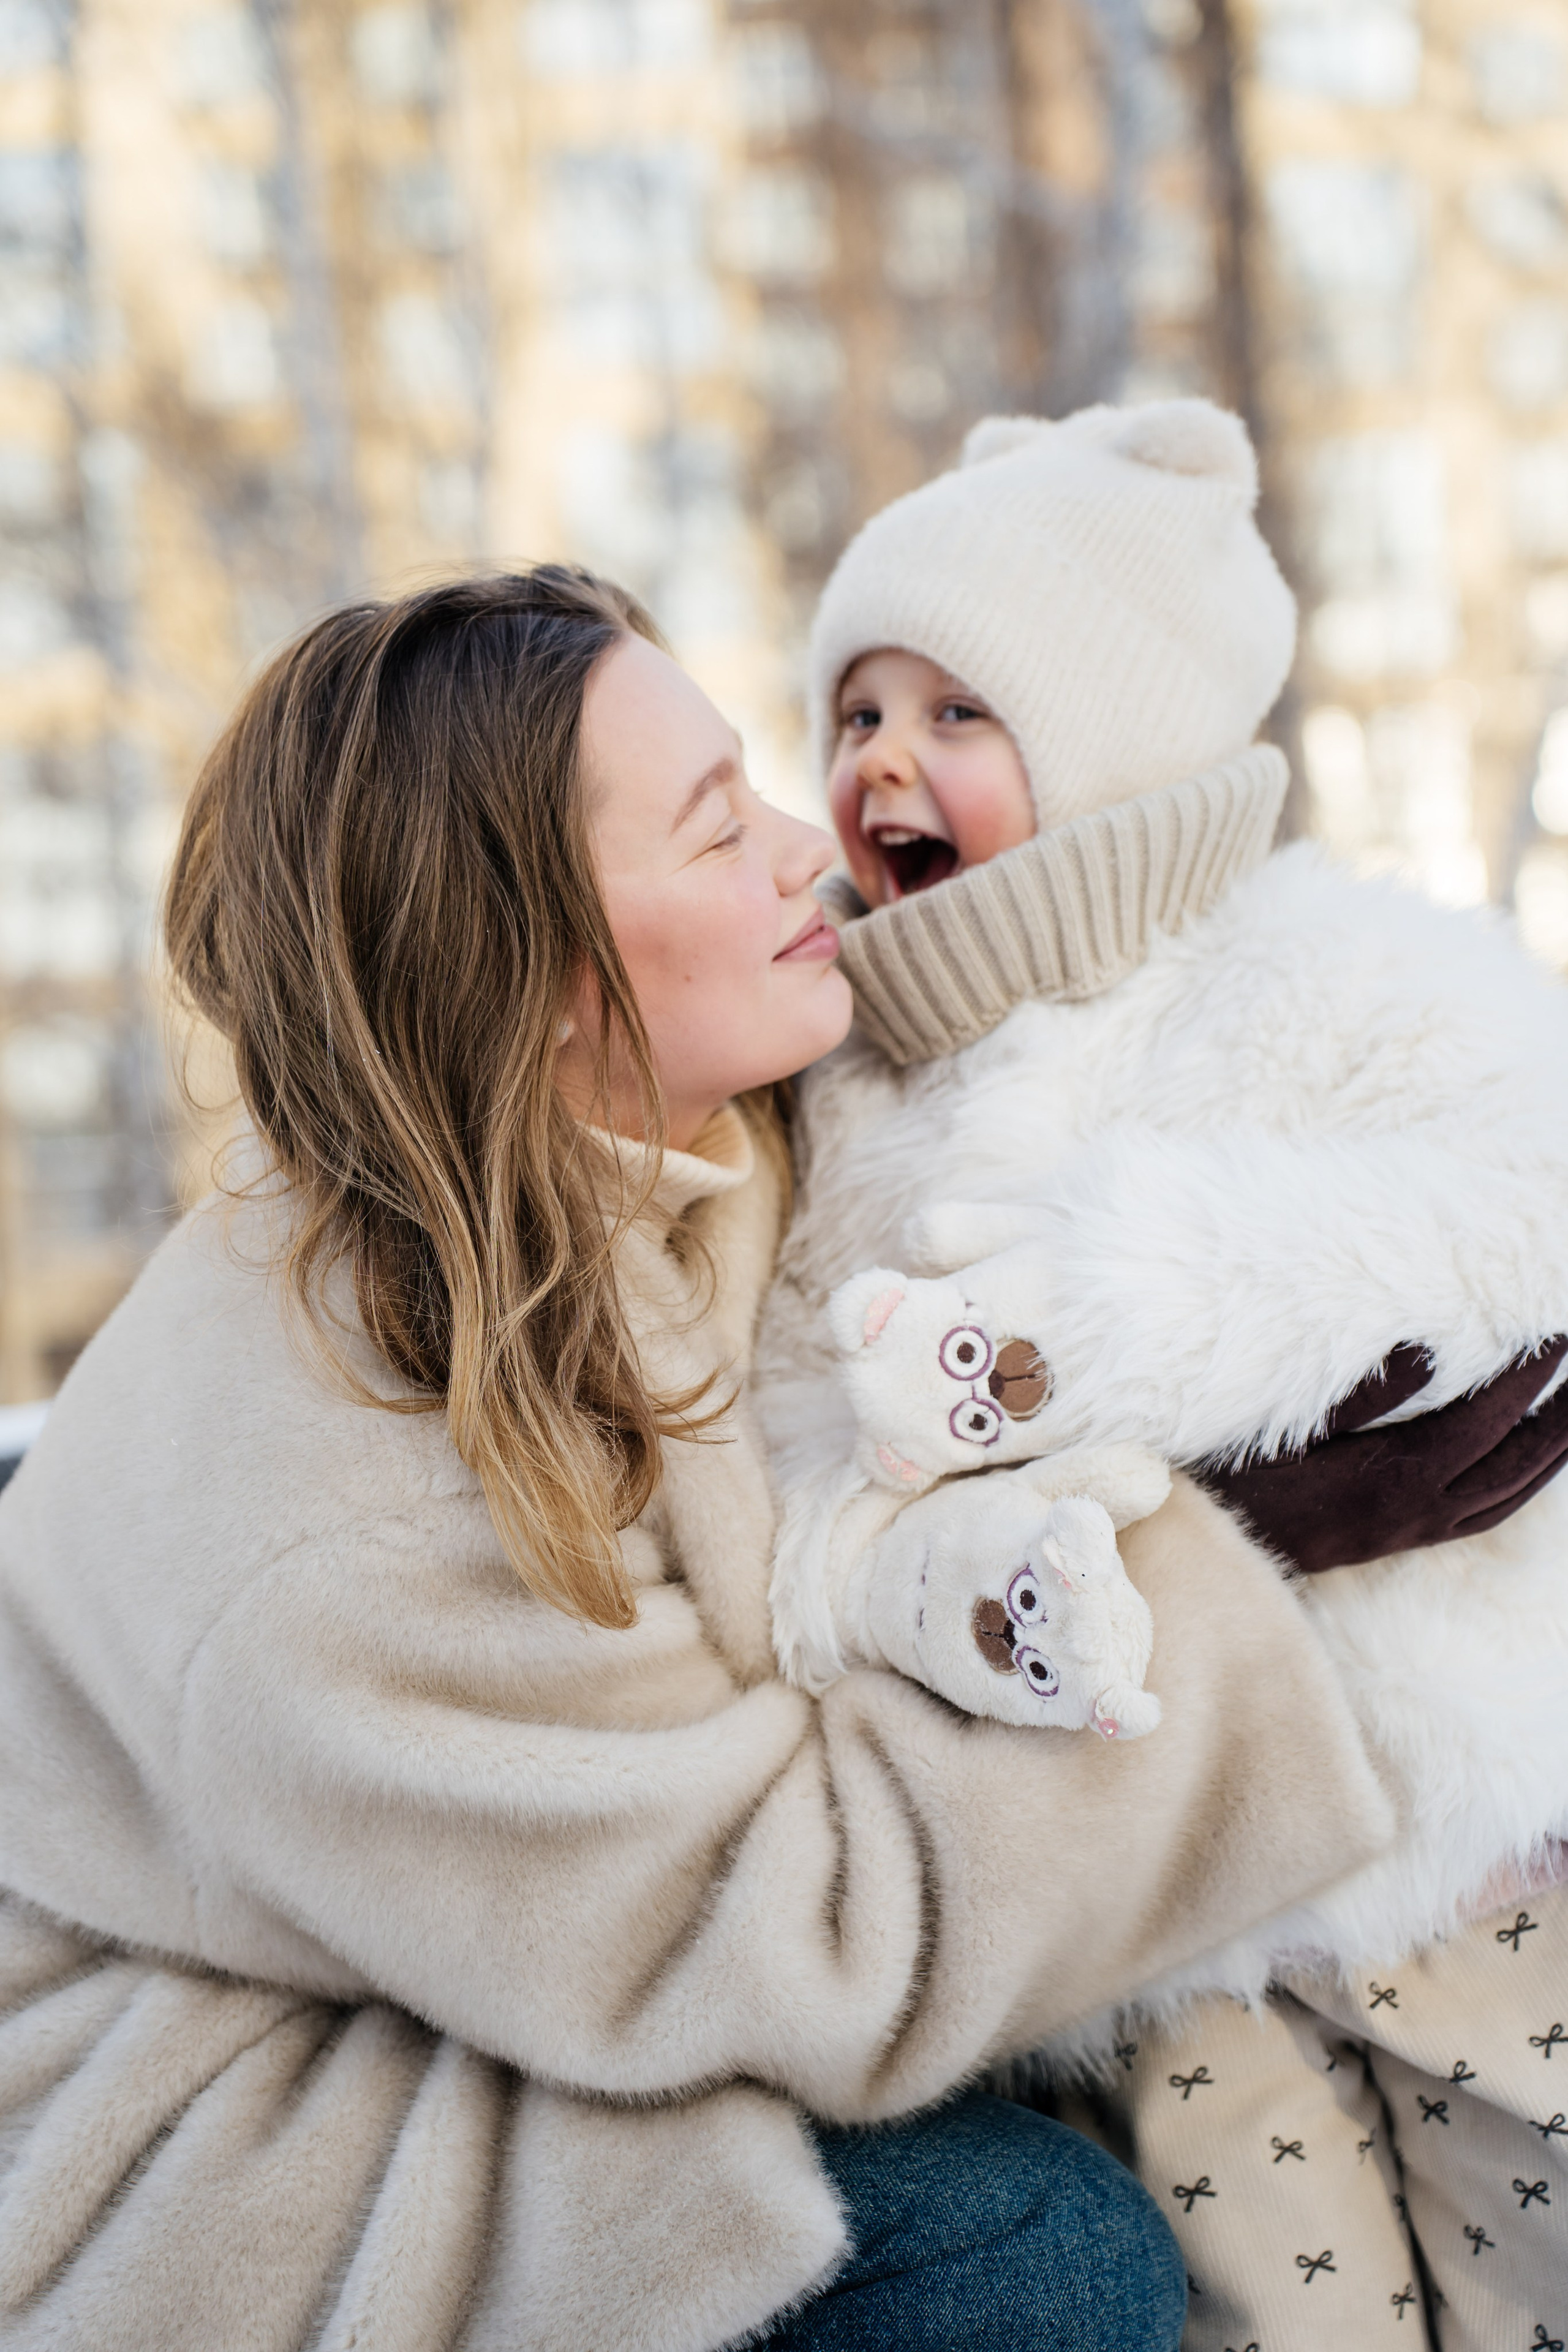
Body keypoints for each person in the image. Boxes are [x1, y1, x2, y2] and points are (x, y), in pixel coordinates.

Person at [0, 566, 1408, 2351]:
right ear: (534, 966)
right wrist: (1243, 1559)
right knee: (1034, 2251)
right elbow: (799, 1939)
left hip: (440, 1952)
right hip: (196, 2133)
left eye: (755, 779)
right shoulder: (342, 1496)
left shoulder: (642, 1149)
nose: (809, 845)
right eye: (710, 826)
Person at [756, 399, 1568, 2349]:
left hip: (1455, 1818)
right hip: (1168, 1904)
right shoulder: (839, 1095)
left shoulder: (1321, 967)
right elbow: (812, 1456)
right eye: (857, 711)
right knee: (1294, 2315)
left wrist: (1119, 1324)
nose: (883, 760)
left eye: (960, 711)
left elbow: (1516, 1210)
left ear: (1121, 728)